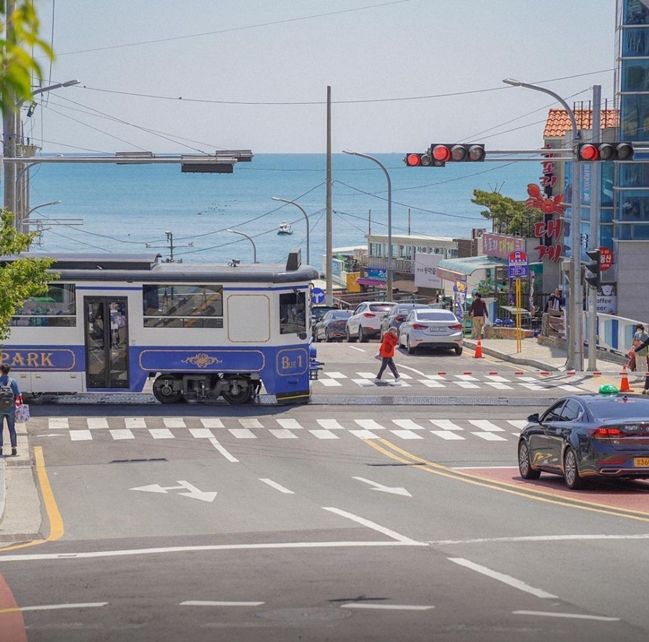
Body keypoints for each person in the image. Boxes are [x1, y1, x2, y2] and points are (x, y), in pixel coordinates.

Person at [0, 364, 21, 457]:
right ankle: (14, 448)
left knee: (0, 430)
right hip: (11, 409)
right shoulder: (13, 381)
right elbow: (17, 394)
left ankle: (0, 449)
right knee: (12, 429)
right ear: (9, 371)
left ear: (1, 371)